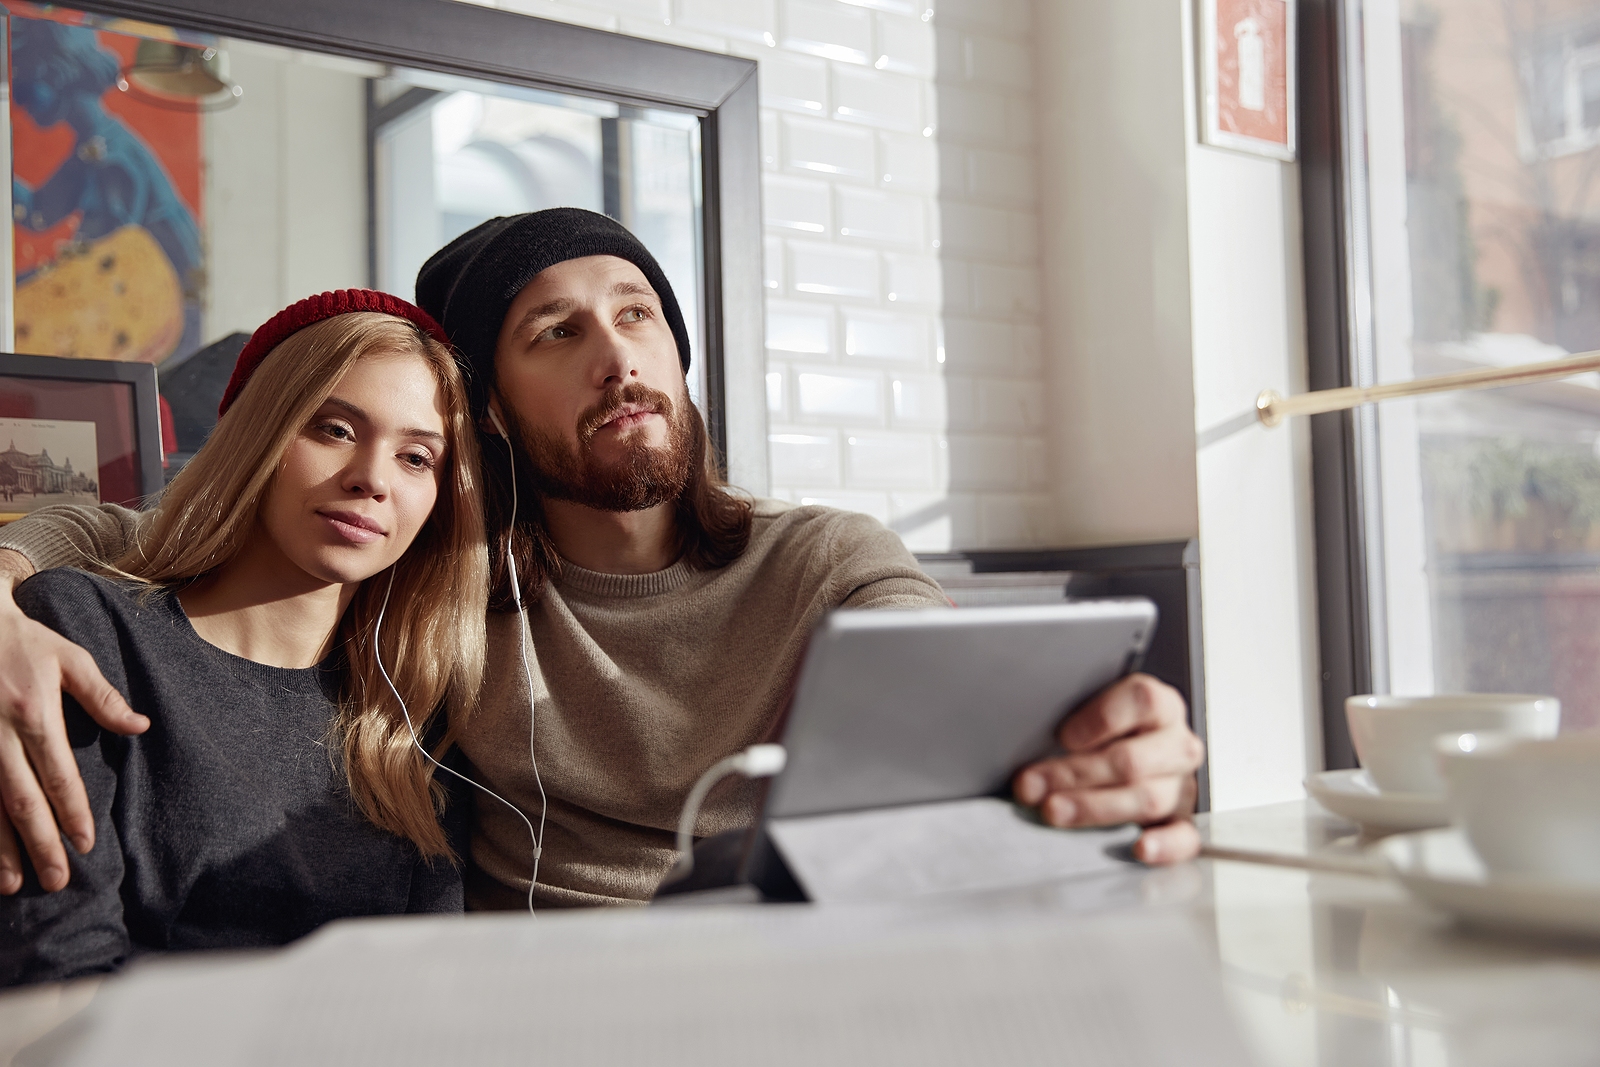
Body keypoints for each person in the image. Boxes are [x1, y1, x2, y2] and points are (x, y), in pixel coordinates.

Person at [0, 209, 1204, 910]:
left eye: (637, 315)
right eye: (555, 332)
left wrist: (1094, 746)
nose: (618, 357)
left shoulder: (826, 559)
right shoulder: (440, 583)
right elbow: (137, 541)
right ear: (491, 416)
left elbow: (958, 692)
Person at [0, 290, 487, 983]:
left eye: (416, 458)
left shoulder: (409, 722)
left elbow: (427, 994)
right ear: (258, 431)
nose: (371, 479)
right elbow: (59, 968)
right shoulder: (82, 635)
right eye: (335, 429)